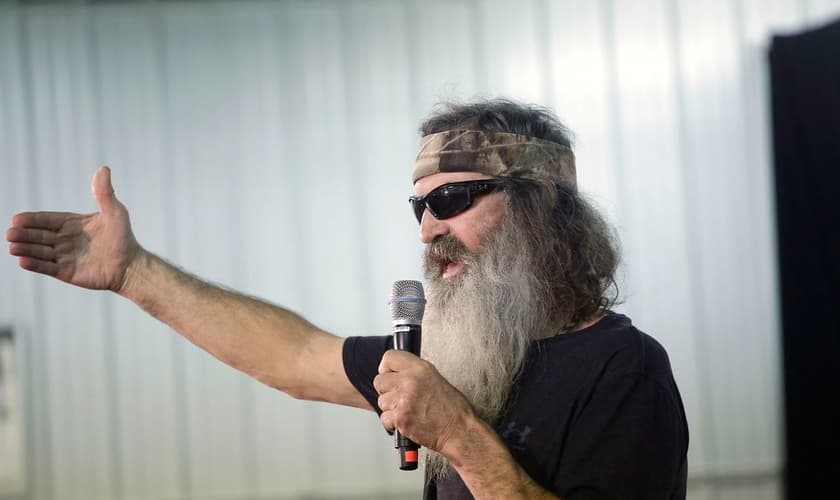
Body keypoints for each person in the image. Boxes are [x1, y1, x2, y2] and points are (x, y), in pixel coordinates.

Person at [5, 99, 688, 499]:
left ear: (540, 207)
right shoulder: (463, 356)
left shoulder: (624, 370)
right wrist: (134, 274)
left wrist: (458, 435)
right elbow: (296, 356)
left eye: (451, 200)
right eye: (417, 207)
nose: (427, 229)